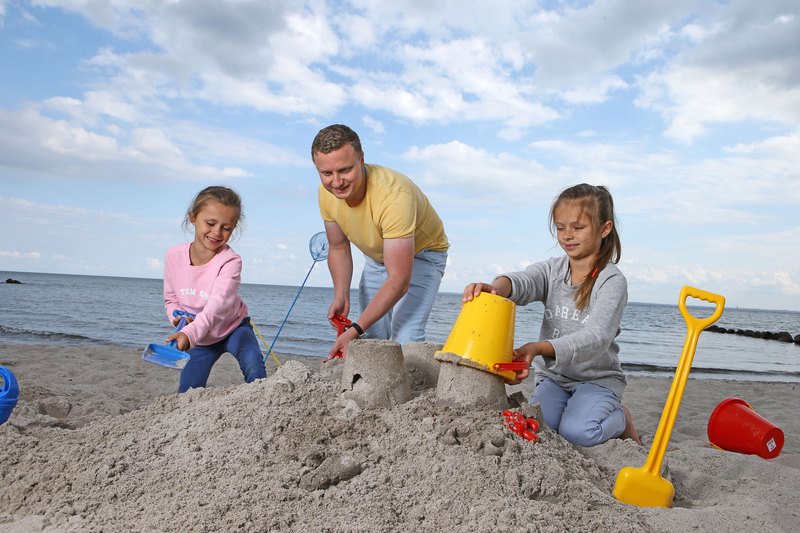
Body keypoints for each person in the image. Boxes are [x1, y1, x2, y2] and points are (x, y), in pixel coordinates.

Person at [463, 183, 641, 447]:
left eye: (578, 227)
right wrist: (496, 288)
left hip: (597, 379)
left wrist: (538, 348)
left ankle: (622, 417)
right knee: (543, 427)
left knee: (578, 433)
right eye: (560, 227)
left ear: (605, 229)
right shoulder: (553, 270)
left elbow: (597, 337)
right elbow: (523, 281)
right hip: (555, 379)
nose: (567, 235)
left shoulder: (611, 281)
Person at [312, 124, 449, 358]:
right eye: (327, 173)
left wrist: (354, 329)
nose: (336, 182)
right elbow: (338, 246)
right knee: (372, 335)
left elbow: (399, 279)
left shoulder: (395, 196)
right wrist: (341, 294)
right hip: (377, 257)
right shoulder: (326, 193)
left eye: (345, 170)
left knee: (406, 338)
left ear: (361, 159)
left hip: (423, 255)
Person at [162, 185, 267, 393]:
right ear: (193, 217)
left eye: (226, 228)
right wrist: (176, 317)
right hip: (200, 335)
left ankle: (265, 401)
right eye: (210, 223)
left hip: (233, 328)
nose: (217, 232)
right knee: (187, 391)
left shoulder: (231, 261)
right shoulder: (173, 256)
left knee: (254, 367)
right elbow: (171, 298)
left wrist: (189, 333)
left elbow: (217, 308)